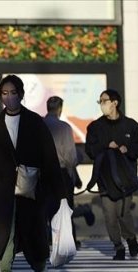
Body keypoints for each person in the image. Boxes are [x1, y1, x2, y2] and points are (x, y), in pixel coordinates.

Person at [0, 74, 66, 272]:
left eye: (13, 93)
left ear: (22, 94)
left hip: (31, 188)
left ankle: (40, 269)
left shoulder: (35, 122)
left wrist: (58, 188)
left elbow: (49, 155)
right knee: (5, 230)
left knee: (33, 230)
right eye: (4, 94)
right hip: (2, 188)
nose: (9, 98)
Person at [85, 89, 138, 260]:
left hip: (126, 179)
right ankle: (118, 246)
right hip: (105, 179)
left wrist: (128, 149)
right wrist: (105, 145)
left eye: (104, 100)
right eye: (100, 101)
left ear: (114, 103)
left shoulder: (131, 125)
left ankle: (131, 239)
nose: (101, 104)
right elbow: (90, 149)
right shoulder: (95, 127)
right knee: (109, 216)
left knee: (123, 214)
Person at [43, 96, 80, 247]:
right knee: (65, 208)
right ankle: (67, 240)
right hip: (61, 172)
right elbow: (70, 156)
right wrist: (73, 173)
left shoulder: (38, 125)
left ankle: (46, 240)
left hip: (42, 174)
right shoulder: (64, 127)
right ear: (60, 109)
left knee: (44, 208)